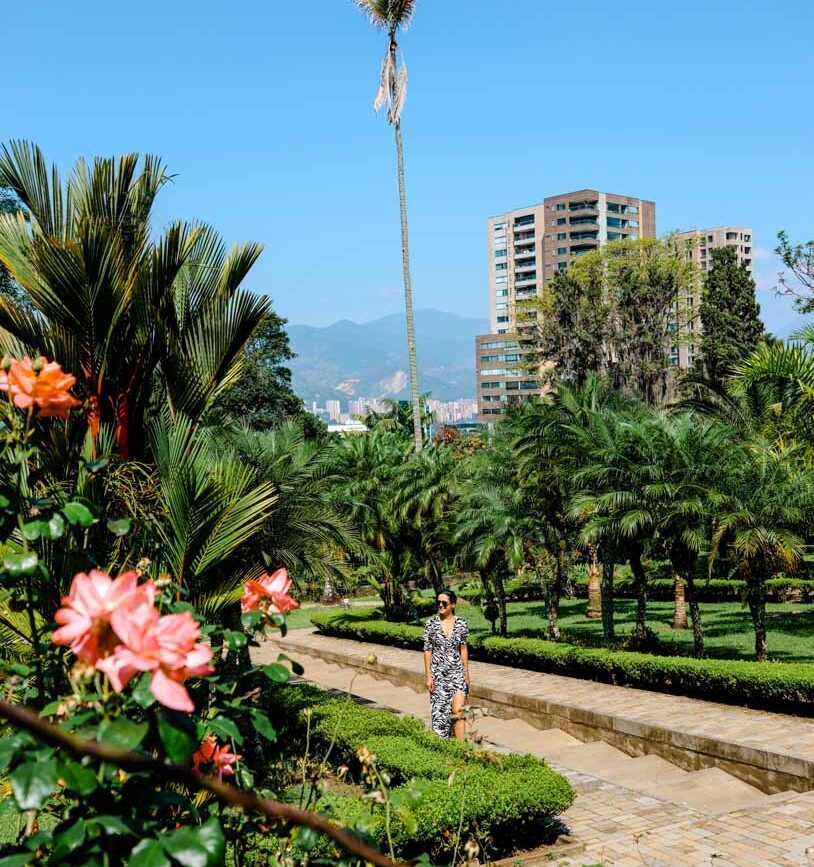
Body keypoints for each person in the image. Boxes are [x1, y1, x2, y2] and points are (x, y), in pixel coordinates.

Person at [422, 589, 470, 739]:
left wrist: (466, 674)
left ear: (453, 604)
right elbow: (427, 650)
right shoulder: (431, 624)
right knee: (441, 719)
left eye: (444, 603)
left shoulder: (461, 624)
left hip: (457, 673)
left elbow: (463, 648)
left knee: (459, 711)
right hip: (438, 675)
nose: (441, 605)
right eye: (438, 603)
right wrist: (428, 676)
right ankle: (445, 749)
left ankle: (462, 752)